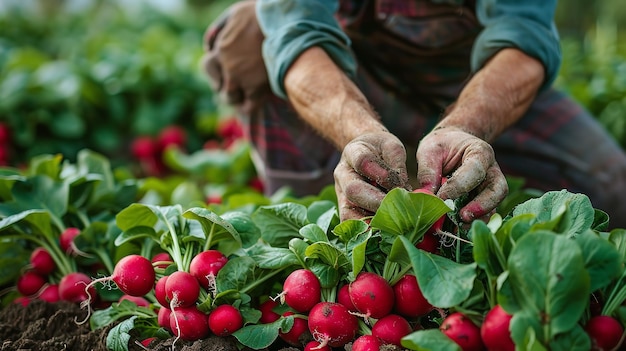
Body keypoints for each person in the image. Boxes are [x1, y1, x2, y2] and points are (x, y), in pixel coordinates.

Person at [203, 0, 626, 229]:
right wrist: (359, 132)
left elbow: (524, 37)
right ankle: (327, 219)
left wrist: (464, 126)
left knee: (614, 190)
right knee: (247, 33)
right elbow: (297, 37)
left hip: (477, 78)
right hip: (355, 69)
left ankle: (432, 147)